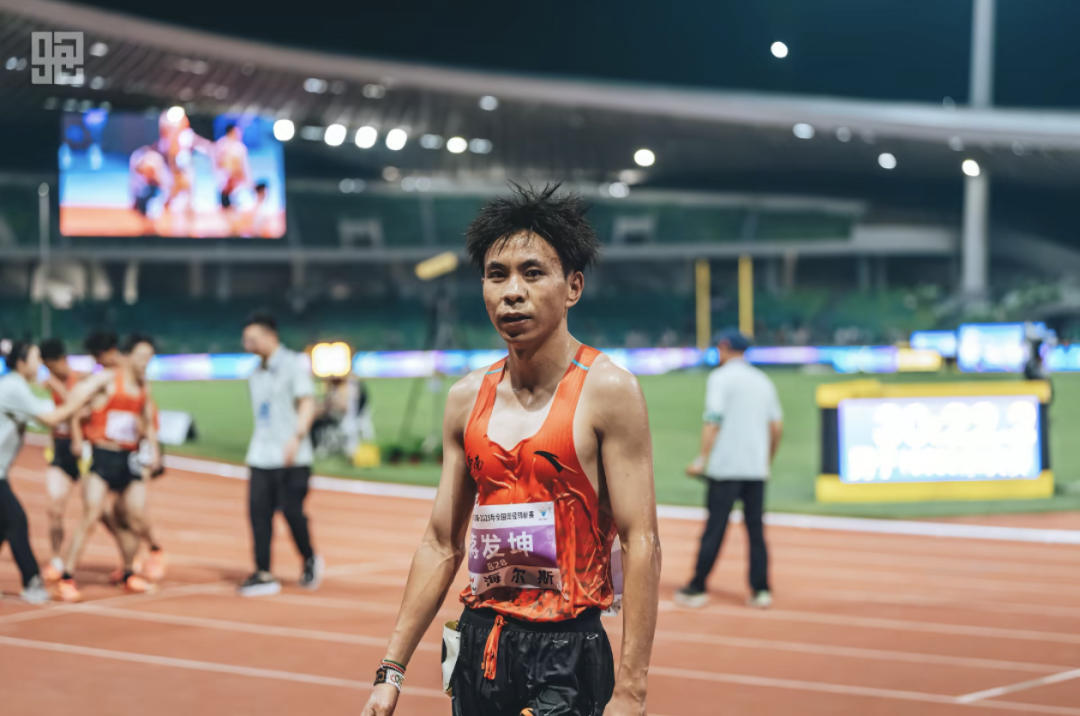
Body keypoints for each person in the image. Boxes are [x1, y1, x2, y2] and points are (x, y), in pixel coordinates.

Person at [361, 184, 661, 716]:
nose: (512, 292)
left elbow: (642, 541)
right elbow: (440, 543)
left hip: (568, 650)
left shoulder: (609, 391)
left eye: (533, 272)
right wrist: (391, 669)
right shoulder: (464, 399)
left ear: (573, 287)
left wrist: (632, 689)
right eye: (496, 275)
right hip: (480, 647)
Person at [677, 329, 783, 610]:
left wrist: (700, 459)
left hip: (725, 467)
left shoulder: (720, 378)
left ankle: (697, 586)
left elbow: (713, 420)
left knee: (714, 529)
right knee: (756, 531)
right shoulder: (762, 380)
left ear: (724, 347)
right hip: (755, 469)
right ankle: (761, 589)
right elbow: (776, 426)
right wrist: (767, 459)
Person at [56, 333, 163, 602]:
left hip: (129, 458)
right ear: (127, 356)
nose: (145, 363)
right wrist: (71, 425)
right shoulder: (107, 379)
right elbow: (77, 397)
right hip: (103, 455)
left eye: (149, 359)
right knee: (91, 514)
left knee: (135, 516)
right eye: (141, 357)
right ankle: (66, 577)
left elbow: (148, 419)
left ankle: (128, 573)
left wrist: (154, 449)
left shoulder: (143, 386)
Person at [0, 342, 102, 603]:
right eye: (37, 359)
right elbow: (52, 418)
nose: (41, 364)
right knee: (16, 521)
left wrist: (73, 400)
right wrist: (82, 395)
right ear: (22, 363)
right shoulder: (13, 387)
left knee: (4, 523)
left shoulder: (17, 387)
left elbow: (53, 414)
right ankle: (32, 581)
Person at [238, 312, 323, 597]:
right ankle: (263, 572)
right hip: (261, 455)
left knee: (291, 512)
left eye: (252, 338)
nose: (246, 344)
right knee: (258, 514)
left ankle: (309, 557)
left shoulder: (292, 365)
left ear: (270, 336)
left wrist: (296, 437)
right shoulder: (255, 372)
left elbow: (307, 402)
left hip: (292, 457)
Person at [38, 338, 89, 582]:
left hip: (85, 449)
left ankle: (139, 553)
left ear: (62, 360)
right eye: (45, 368)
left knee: (104, 513)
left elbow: (77, 408)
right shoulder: (51, 382)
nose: (49, 372)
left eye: (50, 366)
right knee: (54, 507)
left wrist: (57, 387)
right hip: (60, 449)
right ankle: (56, 559)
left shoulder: (82, 380)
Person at [213, 123, 252, 236]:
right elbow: (218, 164)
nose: (239, 134)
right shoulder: (222, 145)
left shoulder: (239, 148)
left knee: (237, 208)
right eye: (237, 132)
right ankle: (232, 232)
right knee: (226, 208)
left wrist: (245, 181)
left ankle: (236, 232)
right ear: (231, 132)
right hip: (226, 183)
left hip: (237, 184)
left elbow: (244, 167)